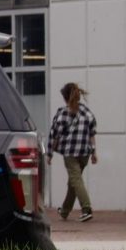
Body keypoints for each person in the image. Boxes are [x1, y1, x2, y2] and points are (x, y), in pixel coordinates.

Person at [47, 82, 97, 222]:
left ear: (65, 97)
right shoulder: (87, 112)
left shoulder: (62, 113)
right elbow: (92, 134)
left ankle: (86, 209)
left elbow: (54, 135)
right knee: (73, 182)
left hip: (70, 153)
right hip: (85, 153)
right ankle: (64, 211)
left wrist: (49, 154)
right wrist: (94, 153)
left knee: (76, 180)